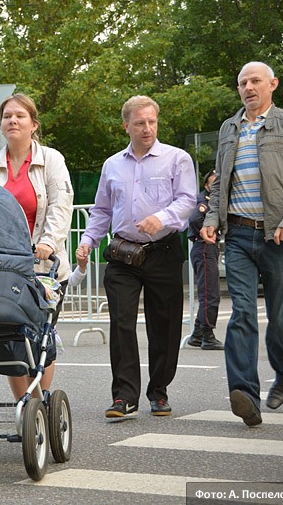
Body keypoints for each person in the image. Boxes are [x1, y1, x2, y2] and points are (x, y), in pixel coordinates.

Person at [200, 61, 283, 427]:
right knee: (241, 312)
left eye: (255, 81)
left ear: (272, 84)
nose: (248, 87)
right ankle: (245, 395)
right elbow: (220, 180)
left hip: (280, 236)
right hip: (238, 234)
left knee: (279, 317)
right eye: (242, 82)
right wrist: (211, 220)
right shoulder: (229, 128)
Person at [79, 95, 196, 418]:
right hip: (123, 254)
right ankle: (124, 396)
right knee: (122, 323)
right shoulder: (112, 164)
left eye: (152, 122)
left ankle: (159, 391)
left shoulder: (177, 159)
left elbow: (188, 200)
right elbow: (102, 209)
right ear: (126, 125)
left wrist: (162, 218)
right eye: (140, 123)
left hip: (163, 251)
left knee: (165, 324)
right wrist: (88, 240)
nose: (147, 129)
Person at [0, 93, 74, 400]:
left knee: (40, 337)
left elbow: (61, 206)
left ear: (33, 124)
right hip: (3, 269)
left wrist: (47, 243)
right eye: (7, 116)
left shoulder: (51, 161)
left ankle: (39, 402)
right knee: (9, 339)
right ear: (1, 124)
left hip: (43, 267)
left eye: (20, 116)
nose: (13, 120)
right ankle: (24, 408)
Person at [186, 170, 224, 350]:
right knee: (210, 294)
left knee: (209, 291)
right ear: (207, 186)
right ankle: (207, 335)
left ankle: (197, 334)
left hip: (206, 248)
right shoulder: (204, 201)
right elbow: (195, 218)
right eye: (213, 183)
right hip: (204, 246)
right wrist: (208, 231)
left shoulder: (211, 200)